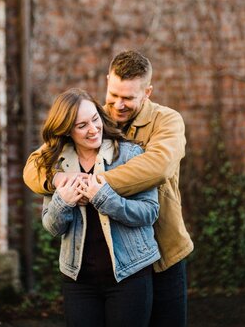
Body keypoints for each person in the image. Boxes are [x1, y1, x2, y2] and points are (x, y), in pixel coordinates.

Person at [23, 50, 194, 327]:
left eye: (128, 98)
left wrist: (94, 182)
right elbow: (34, 166)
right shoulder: (94, 117)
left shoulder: (167, 121)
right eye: (113, 94)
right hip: (109, 260)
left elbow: (157, 167)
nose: (118, 104)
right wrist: (58, 180)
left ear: (147, 92)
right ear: (107, 81)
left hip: (163, 248)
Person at [33, 88, 160, 327]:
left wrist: (104, 198)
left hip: (130, 275)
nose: (93, 129)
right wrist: (64, 201)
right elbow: (52, 227)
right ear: (67, 130)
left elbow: (150, 212)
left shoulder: (130, 154)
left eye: (95, 119)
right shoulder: (58, 163)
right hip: (79, 280)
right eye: (82, 126)